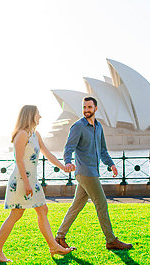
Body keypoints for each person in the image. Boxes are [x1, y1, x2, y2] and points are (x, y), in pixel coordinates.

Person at [0, 105, 74, 261]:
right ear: (30, 116)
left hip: (32, 181)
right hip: (22, 180)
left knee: (42, 210)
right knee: (16, 214)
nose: (40, 117)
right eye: (38, 114)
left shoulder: (35, 134)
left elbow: (47, 153)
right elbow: (19, 160)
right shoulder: (21, 134)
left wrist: (63, 167)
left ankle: (53, 247)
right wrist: (27, 183)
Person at [54, 96, 133, 251]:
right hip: (85, 172)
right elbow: (68, 147)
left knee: (76, 206)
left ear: (95, 109)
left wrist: (111, 164)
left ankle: (59, 237)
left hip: (92, 171)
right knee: (101, 204)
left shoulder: (99, 127)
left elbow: (103, 150)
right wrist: (68, 161)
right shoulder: (78, 126)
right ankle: (111, 240)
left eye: (89, 107)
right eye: (84, 107)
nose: (86, 110)